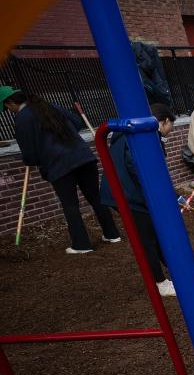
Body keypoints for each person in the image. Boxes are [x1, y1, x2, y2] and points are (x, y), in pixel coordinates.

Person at [2, 85, 122, 254]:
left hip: (59, 165)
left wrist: (32, 160)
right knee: (96, 197)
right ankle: (112, 234)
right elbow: (77, 122)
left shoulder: (22, 118)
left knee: (70, 205)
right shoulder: (48, 106)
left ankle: (81, 245)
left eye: (7, 107)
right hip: (83, 157)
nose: (9, 110)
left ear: (11, 102)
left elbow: (29, 153)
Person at [99, 103, 194, 297]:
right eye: (172, 125)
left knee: (156, 234)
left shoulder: (139, 135)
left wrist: (172, 197)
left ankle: (180, 274)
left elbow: (152, 175)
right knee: (148, 239)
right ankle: (160, 283)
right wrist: (170, 198)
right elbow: (142, 173)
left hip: (133, 192)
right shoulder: (142, 137)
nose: (172, 130)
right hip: (127, 195)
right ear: (164, 122)